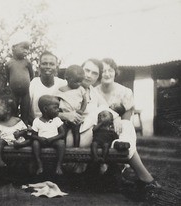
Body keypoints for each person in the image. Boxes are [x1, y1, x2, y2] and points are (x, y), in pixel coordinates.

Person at [59, 58, 160, 188]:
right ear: (80, 71)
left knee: (126, 124)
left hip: (88, 133)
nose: (89, 75)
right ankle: (144, 177)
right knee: (104, 115)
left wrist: (116, 118)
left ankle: (125, 151)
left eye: (94, 73)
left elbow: (106, 108)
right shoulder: (65, 87)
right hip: (71, 136)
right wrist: (64, 114)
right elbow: (45, 109)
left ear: (97, 77)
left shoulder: (92, 91)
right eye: (87, 70)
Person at [31, 95, 66, 175]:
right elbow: (33, 135)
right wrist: (40, 139)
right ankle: (39, 164)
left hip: (54, 141)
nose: (58, 110)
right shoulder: (37, 121)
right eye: (55, 108)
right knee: (35, 143)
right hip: (42, 142)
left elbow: (62, 133)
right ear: (45, 109)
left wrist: (53, 139)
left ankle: (59, 166)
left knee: (61, 143)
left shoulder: (56, 120)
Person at [0, 95, 31, 167]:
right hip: (6, 142)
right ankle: (0, 160)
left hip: (18, 141)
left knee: (29, 140)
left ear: (8, 110)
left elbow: (25, 131)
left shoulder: (17, 120)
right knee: (0, 142)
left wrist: (20, 133)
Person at [29, 51, 66, 122]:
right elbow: (28, 112)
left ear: (56, 67)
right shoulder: (33, 84)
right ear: (39, 66)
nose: (48, 67)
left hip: (59, 126)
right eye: (44, 64)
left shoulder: (63, 84)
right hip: (38, 125)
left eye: (51, 64)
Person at [56, 65, 87, 147]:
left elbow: (85, 101)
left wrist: (81, 110)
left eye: (80, 81)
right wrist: (59, 112)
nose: (78, 84)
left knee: (76, 132)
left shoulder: (80, 89)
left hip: (76, 114)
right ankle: (63, 148)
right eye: (75, 81)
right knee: (63, 132)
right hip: (64, 116)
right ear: (67, 78)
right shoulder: (61, 90)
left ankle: (76, 148)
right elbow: (56, 102)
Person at [5, 41, 34, 123]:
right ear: (13, 47)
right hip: (13, 93)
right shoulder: (9, 64)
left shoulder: (27, 62)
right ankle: (13, 129)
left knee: (25, 112)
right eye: (23, 48)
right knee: (13, 112)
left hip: (25, 93)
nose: (26, 51)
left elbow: (31, 75)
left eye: (27, 49)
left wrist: (24, 83)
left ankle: (25, 130)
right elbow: (8, 77)